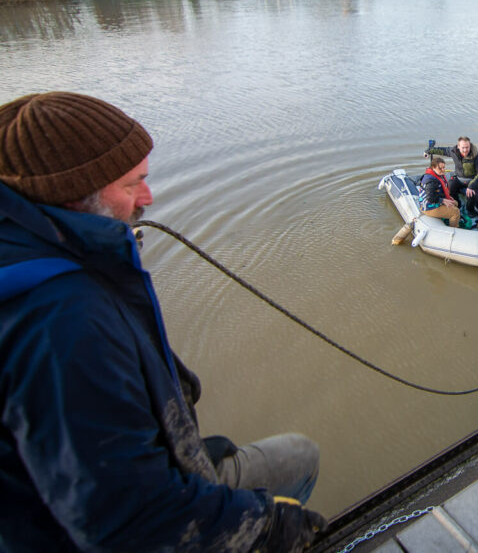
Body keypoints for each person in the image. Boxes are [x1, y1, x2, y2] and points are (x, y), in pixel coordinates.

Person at [0, 92, 324, 552]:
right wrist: (267, 528)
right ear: (75, 193)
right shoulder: (62, 322)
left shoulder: (39, 257)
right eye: (132, 185)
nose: (148, 197)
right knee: (300, 459)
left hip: (131, 484)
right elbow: (132, 521)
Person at [426, 136, 478, 213]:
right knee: (450, 186)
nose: (465, 150)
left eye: (467, 147)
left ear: (470, 146)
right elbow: (442, 150)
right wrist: (428, 151)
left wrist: (472, 186)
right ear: (458, 147)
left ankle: (470, 210)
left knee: (472, 194)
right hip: (458, 178)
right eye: (463, 147)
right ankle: (458, 205)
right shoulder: (453, 151)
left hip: (472, 180)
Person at [419, 155, 460, 228]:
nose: (443, 170)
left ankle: (447, 218)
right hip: (428, 206)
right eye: (440, 168)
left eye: (444, 167)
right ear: (433, 168)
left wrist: (447, 197)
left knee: (455, 203)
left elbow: (439, 191)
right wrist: (443, 200)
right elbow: (430, 198)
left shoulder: (438, 175)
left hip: (435, 201)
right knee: (455, 212)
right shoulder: (431, 182)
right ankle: (453, 229)